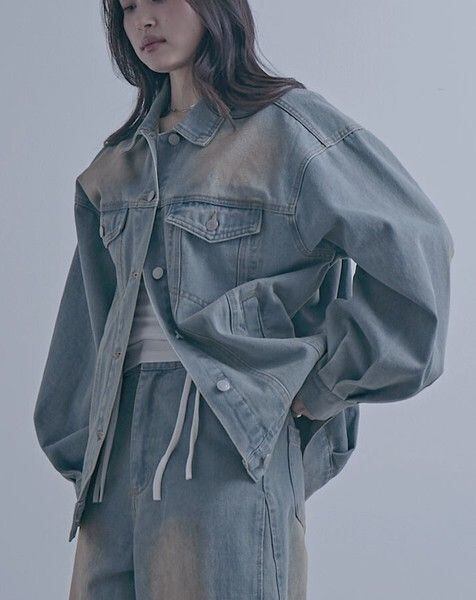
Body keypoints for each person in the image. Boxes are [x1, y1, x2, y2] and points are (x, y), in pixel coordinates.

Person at [33, 0, 454, 598]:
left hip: (222, 439)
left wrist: (320, 384)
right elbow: (86, 324)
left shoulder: (288, 132)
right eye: (127, 7)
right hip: (112, 459)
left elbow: (415, 245)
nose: (142, 19)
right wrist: (81, 450)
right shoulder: (116, 165)